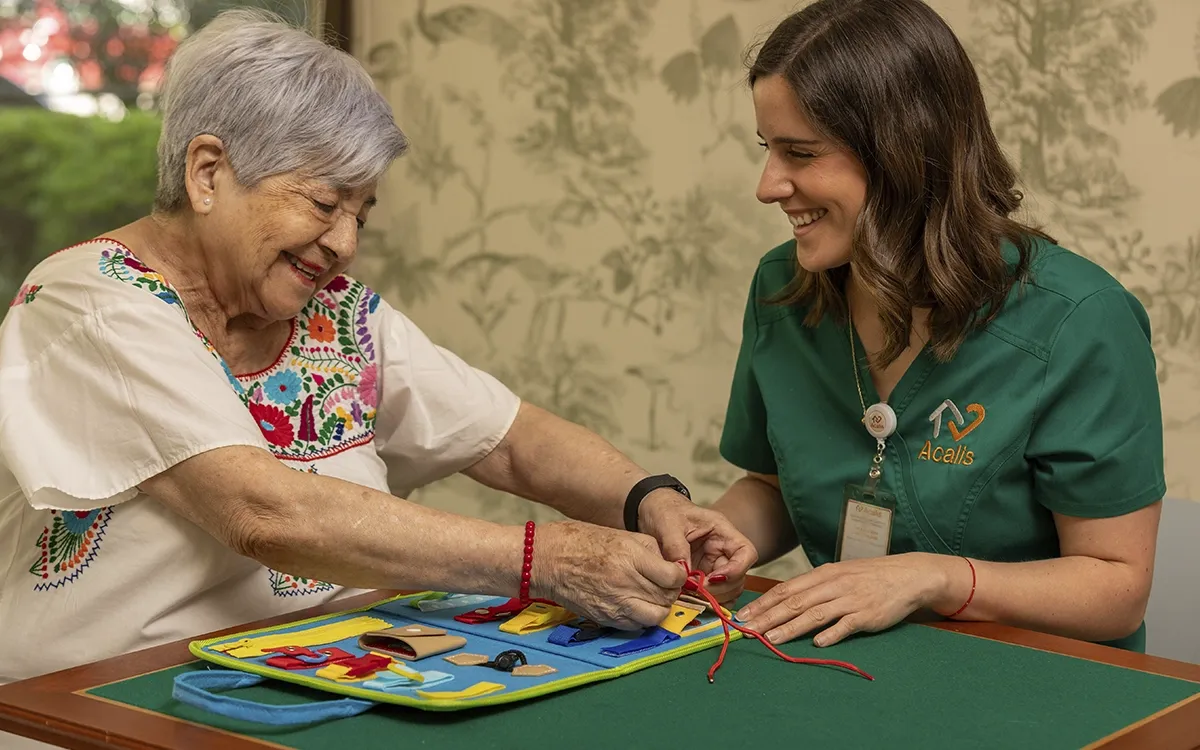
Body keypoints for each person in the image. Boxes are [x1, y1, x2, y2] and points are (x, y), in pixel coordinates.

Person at [0, 9, 754, 685]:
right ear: (208, 173)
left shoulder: (336, 315)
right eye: (325, 203)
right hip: (105, 701)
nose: (346, 244)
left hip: (307, 674)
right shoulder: (91, 301)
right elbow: (264, 512)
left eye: (363, 212)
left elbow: (510, 440)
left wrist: (648, 498)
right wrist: (544, 562)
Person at [714, 0, 1164, 653]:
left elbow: (1115, 590)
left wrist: (935, 579)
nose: (768, 185)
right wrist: (716, 539)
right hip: (845, 669)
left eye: (800, 153)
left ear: (900, 152)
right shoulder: (784, 289)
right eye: (767, 148)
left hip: (1039, 686)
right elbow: (772, 488)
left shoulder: (1078, 321)